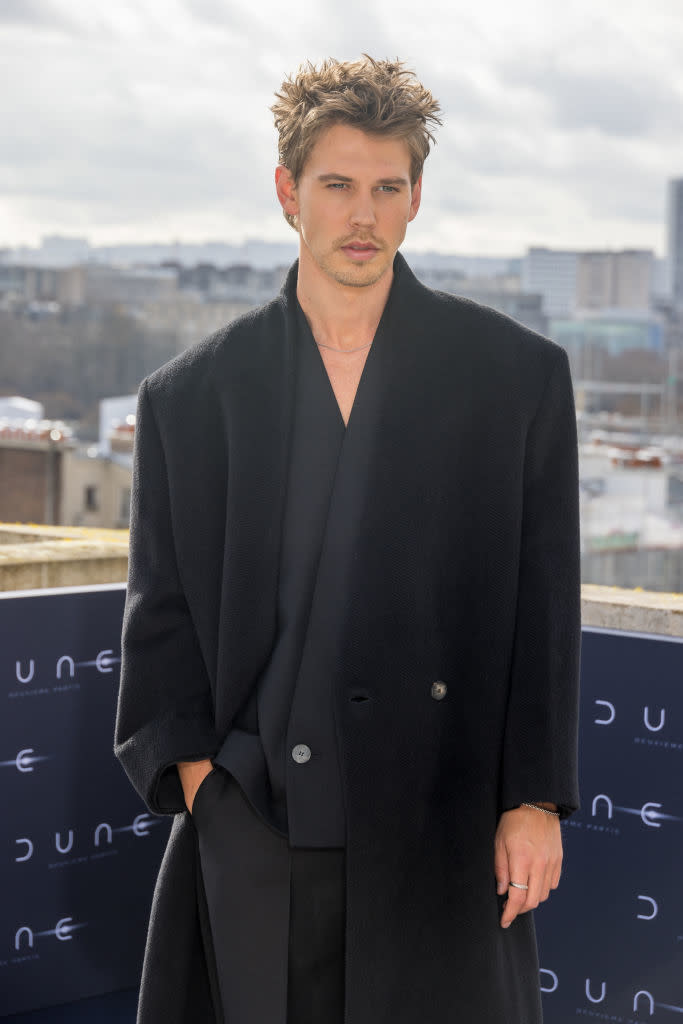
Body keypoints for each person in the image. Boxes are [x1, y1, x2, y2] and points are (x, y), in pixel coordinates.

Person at [115, 55, 581, 1024]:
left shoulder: (515, 380)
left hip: (437, 831)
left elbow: (545, 610)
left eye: (385, 187)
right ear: (288, 193)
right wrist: (209, 796)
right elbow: (158, 625)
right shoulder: (189, 397)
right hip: (251, 829)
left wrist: (534, 799)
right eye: (336, 184)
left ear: (416, 197)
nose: (361, 214)